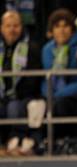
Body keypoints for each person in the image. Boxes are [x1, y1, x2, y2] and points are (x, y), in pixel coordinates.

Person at [41, 8, 77, 150]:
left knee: (62, 104)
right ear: (52, 30)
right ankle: (47, 142)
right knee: (40, 104)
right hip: (54, 93)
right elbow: (46, 77)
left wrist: (58, 94)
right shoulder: (47, 49)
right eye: (57, 26)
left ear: (72, 29)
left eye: (65, 26)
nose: (61, 31)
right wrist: (48, 93)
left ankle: (68, 141)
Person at [0, 10, 41, 156]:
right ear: (2, 28)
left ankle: (15, 143)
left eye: (16, 26)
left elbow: (33, 79)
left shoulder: (31, 48)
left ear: (22, 27)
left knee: (14, 107)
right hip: (2, 95)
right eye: (8, 26)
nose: (12, 30)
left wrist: (14, 94)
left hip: (22, 96)